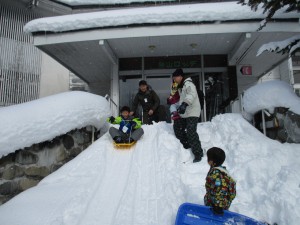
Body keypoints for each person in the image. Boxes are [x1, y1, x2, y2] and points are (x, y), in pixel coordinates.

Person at [172, 68, 203, 163]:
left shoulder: (188, 83)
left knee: (191, 131)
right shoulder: (181, 86)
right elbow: (175, 97)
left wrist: (184, 104)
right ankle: (187, 143)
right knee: (177, 126)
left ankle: (198, 153)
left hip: (193, 112)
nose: (174, 80)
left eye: (175, 78)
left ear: (180, 76)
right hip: (185, 113)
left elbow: (192, 94)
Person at [204, 147, 236, 215]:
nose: (207, 160)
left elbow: (221, 189)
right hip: (217, 197)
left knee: (213, 212)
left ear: (212, 162)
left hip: (218, 203)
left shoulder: (217, 176)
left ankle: (212, 213)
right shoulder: (220, 169)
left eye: (208, 158)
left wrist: (218, 207)